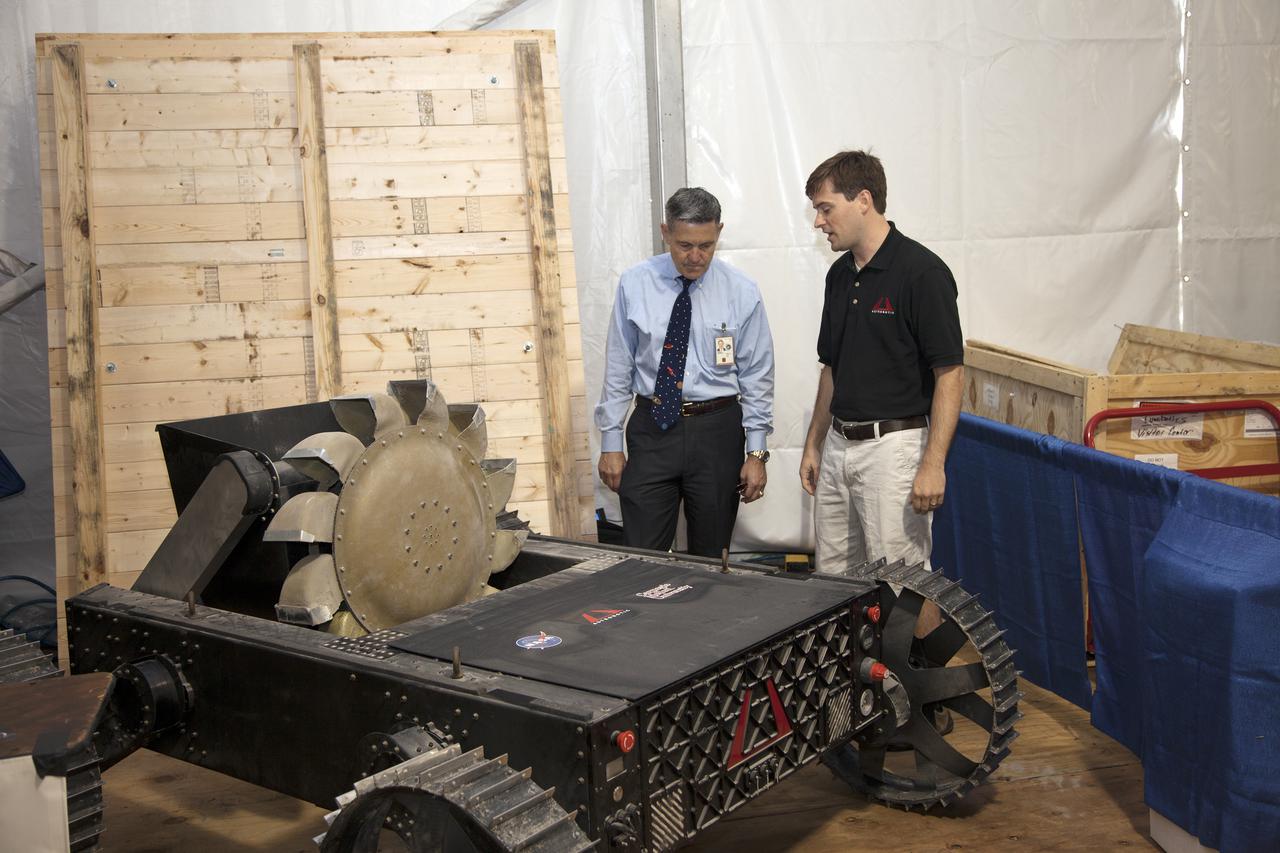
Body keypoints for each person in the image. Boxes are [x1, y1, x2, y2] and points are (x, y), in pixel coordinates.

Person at [799, 150, 964, 580]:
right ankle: (856, 652)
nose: (819, 221)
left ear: (863, 200)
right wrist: (815, 443)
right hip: (838, 448)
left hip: (894, 450)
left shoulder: (922, 273)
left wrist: (933, 463)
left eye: (825, 208)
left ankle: (916, 652)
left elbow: (950, 373)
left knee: (902, 581)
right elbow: (831, 369)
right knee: (833, 579)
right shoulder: (838, 276)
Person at [596, 187, 774, 557]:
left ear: (719, 233)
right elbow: (618, 367)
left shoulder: (741, 291)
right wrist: (611, 443)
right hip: (652, 428)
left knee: (712, 557)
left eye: (706, 245)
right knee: (641, 555)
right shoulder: (636, 283)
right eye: (684, 245)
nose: (696, 257)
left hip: (717, 432)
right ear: (666, 232)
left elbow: (758, 376)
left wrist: (756, 454)